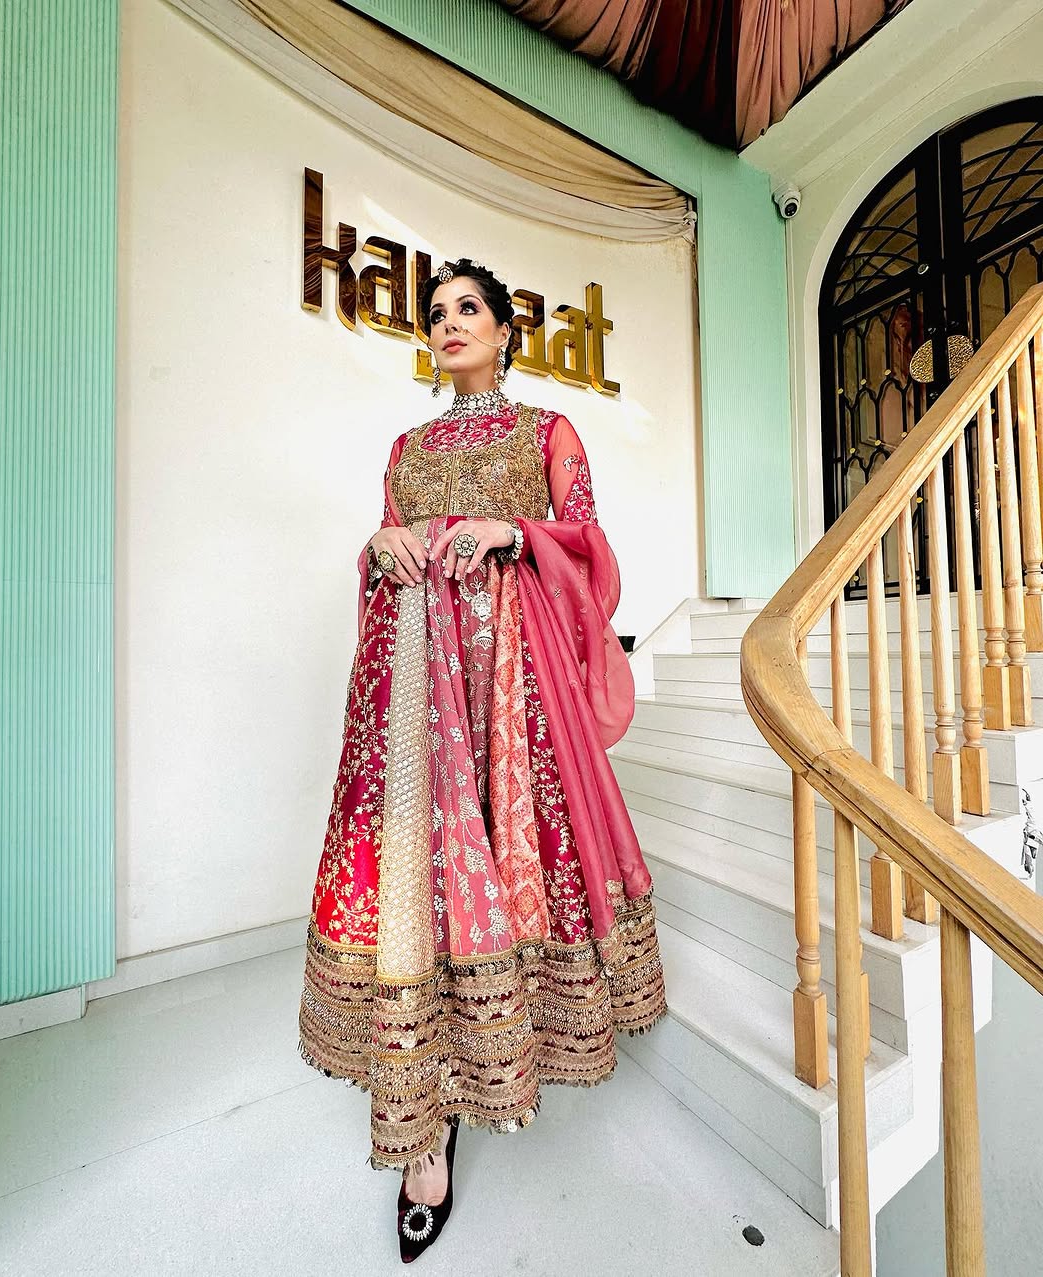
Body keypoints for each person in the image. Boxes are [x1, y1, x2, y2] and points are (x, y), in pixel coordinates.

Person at [298, 257, 667, 1262]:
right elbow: (386, 535)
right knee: (418, 882)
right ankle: (426, 1123)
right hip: (417, 691)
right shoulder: (407, 446)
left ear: (505, 331)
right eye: (437, 314)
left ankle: (514, 1050)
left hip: (516, 689)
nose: (451, 323)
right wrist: (380, 548)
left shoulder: (549, 432)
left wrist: (516, 529)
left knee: (511, 867)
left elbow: (588, 546)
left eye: (469, 309)